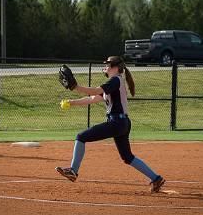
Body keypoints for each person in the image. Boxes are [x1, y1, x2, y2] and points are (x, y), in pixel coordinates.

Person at [55, 56, 165, 193]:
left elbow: (95, 91)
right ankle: (156, 178)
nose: (105, 67)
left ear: (114, 67)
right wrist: (73, 102)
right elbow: (93, 98)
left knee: (81, 137)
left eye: (107, 64)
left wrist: (75, 87)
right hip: (122, 123)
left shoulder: (115, 80)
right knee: (127, 157)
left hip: (116, 123)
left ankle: (73, 170)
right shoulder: (114, 83)